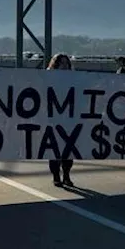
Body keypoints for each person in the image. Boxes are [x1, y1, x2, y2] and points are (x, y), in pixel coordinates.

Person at [47, 53, 76, 187]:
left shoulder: (74, 79)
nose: (64, 66)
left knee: (68, 150)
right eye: (61, 64)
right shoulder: (48, 79)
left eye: (66, 64)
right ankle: (56, 175)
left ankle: (67, 175)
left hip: (69, 119)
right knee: (54, 150)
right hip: (53, 119)